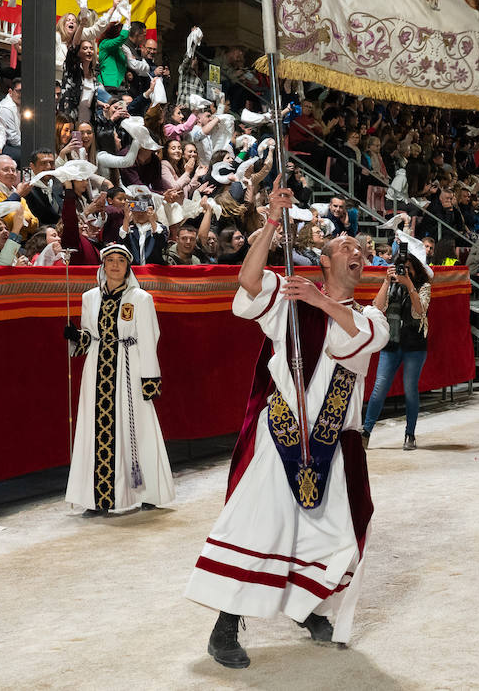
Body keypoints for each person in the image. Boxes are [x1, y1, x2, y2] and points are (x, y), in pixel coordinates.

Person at [185, 180, 389, 667]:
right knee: (262, 528)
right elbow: (249, 282)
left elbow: (359, 343)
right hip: (281, 436)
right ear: (322, 259)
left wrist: (321, 303)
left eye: (359, 247)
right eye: (344, 245)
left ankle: (303, 607)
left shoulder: (366, 318)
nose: (355, 250)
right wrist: (272, 221)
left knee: (331, 535)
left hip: (333, 447)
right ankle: (224, 628)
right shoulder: (292, 296)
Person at [62, 242, 175, 515]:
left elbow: (150, 338)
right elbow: (90, 336)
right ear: (103, 265)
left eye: (120, 261)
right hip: (97, 370)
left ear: (128, 267)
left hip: (130, 369)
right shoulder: (89, 298)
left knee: (137, 428)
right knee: (94, 430)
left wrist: (150, 377)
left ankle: (146, 491)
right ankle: (95, 498)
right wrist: (78, 337)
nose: (114, 265)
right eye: (110, 260)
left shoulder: (140, 299)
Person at [362, 250, 431, 449]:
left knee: (410, 390)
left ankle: (410, 434)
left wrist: (409, 285)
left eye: (408, 269)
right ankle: (366, 432)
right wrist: (386, 281)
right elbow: (377, 307)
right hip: (391, 342)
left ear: (416, 270)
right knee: (379, 389)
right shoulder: (391, 285)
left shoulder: (423, 286)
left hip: (414, 344)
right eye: (401, 269)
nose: (404, 273)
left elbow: (420, 312)